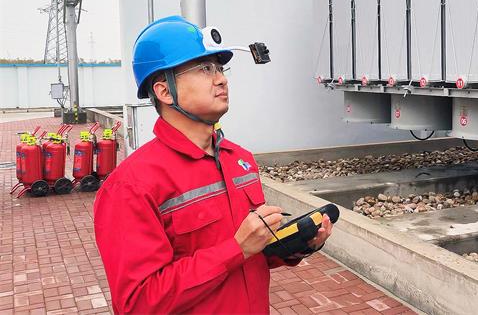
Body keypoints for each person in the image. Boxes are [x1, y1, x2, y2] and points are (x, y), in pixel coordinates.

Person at [93, 16, 333, 314]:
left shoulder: (240, 160)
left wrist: (297, 245)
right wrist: (236, 249)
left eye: (220, 68)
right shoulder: (131, 186)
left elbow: (255, 252)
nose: (221, 79)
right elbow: (138, 303)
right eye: (204, 69)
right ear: (164, 91)